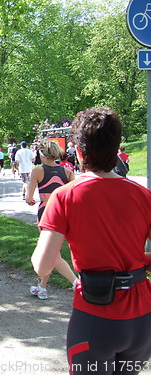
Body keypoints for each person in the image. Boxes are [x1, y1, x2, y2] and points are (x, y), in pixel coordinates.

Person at [31, 108, 151, 374]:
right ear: (117, 148)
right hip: (142, 316)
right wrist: (137, 261)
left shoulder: (65, 197)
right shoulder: (143, 194)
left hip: (96, 315)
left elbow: (42, 266)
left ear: (80, 152)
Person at [25, 140, 77, 299]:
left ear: (41, 154)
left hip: (46, 211)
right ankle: (42, 287)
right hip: (64, 212)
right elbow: (74, 195)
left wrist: (31, 200)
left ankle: (77, 283)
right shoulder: (67, 172)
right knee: (51, 250)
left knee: (50, 252)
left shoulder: (38, 171)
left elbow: (29, 198)